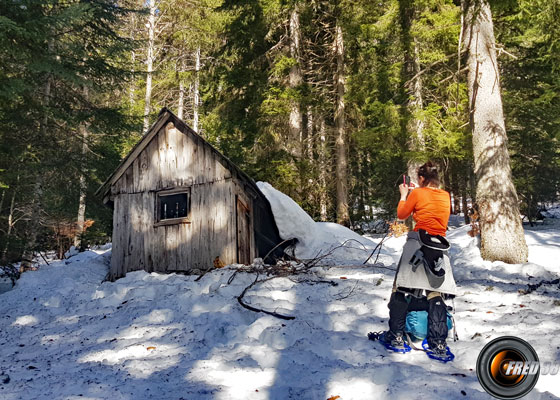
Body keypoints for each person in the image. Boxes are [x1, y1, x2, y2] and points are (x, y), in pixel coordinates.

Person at [373, 161, 458, 358]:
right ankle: (437, 342)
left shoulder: (418, 193)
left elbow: (402, 214)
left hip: (419, 242)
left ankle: (396, 335)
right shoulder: (445, 195)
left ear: (421, 178)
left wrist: (404, 195)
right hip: (439, 245)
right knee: (435, 291)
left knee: (401, 287)